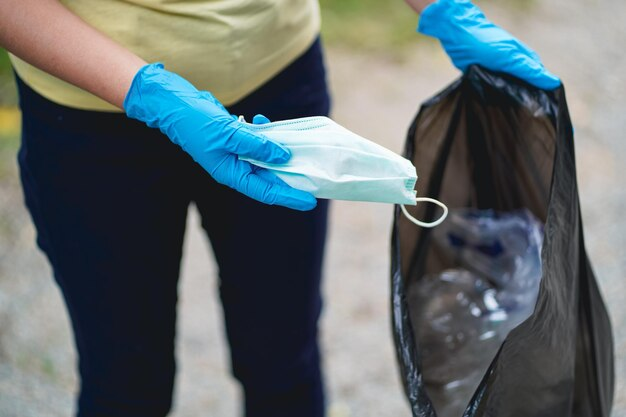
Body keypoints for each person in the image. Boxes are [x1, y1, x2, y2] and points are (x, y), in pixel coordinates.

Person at [0, 0, 559, 416]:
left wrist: (444, 9)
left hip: (278, 90)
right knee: (125, 381)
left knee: (282, 359)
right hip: (91, 115)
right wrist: (146, 90)